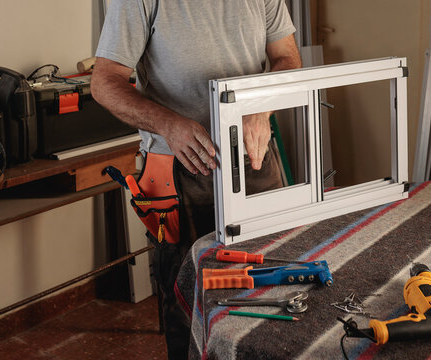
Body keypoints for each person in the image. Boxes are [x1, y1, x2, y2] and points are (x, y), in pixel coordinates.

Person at [91, 1, 302, 358]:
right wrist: (168, 124)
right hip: (180, 172)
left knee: (278, 288)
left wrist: (260, 106)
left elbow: (287, 57)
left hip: (254, 158)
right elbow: (104, 82)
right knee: (190, 307)